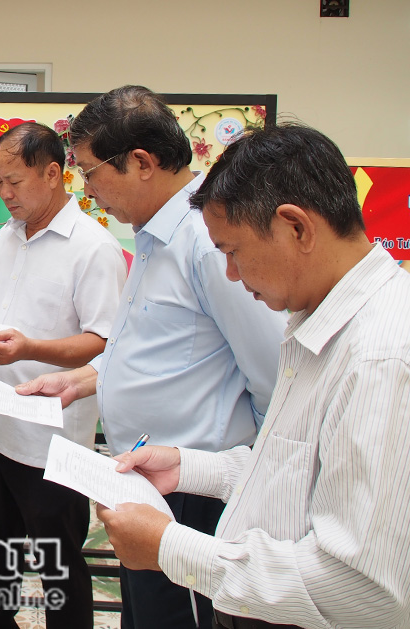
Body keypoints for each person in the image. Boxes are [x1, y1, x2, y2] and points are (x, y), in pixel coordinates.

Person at [96, 122, 410, 629]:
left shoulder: (380, 357)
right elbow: (297, 470)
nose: (231, 275)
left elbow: (362, 587)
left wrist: (171, 547)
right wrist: (191, 468)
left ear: (296, 228)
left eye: (233, 252)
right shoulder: (318, 318)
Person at [17, 86, 286, 629]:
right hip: (146, 480)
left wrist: (256, 486)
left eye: (91, 173)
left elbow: (273, 375)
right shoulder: (152, 233)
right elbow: (152, 348)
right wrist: (83, 380)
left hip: (194, 490)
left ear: (141, 163)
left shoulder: (209, 242)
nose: (87, 190)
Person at [0, 121, 127, 628]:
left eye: (14, 182)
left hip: (51, 441)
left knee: (58, 570)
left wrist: (31, 348)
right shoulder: (6, 236)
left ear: (52, 173)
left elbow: (105, 344)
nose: (4, 193)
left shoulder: (94, 248)